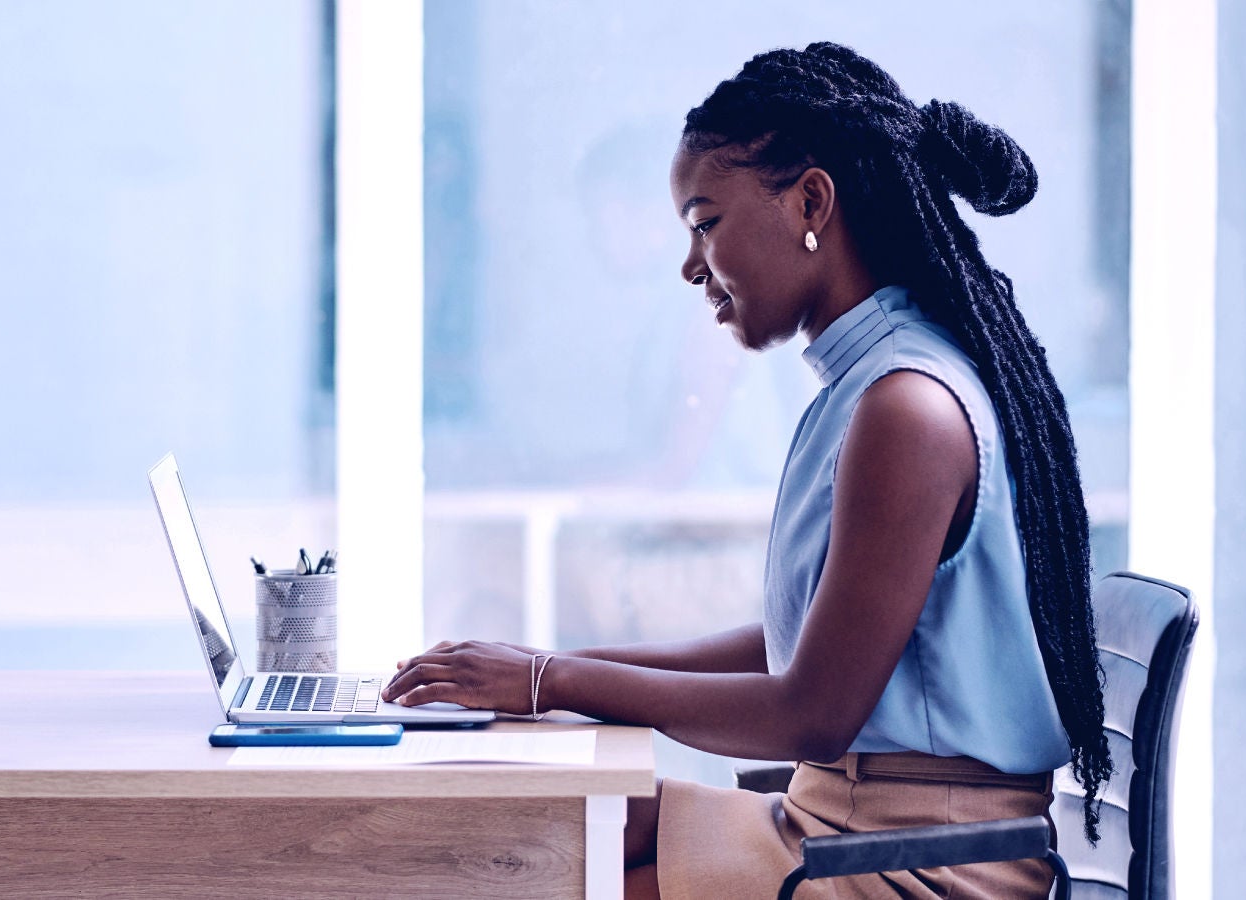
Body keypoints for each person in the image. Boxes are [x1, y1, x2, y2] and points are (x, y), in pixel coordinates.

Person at [381, 41, 1109, 899]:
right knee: (526, 836)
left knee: (534, 872)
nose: (692, 264)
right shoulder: (868, 384)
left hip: (918, 865)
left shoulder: (906, 408)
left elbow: (813, 711)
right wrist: (548, 666)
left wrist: (553, 683)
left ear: (811, 201)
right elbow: (796, 645)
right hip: (840, 820)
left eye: (705, 222)